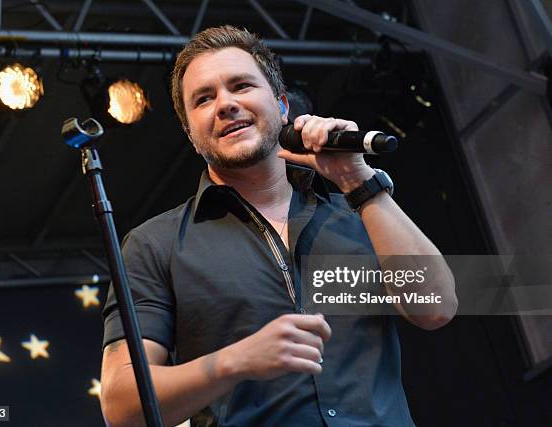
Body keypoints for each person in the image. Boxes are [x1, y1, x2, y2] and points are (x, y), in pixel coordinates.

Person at [100, 25, 457, 427]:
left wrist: (359, 184)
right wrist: (236, 361)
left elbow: (436, 309)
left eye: (241, 86)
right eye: (204, 99)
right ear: (190, 134)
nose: (225, 104)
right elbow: (121, 405)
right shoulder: (155, 244)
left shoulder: (359, 212)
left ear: (283, 106)